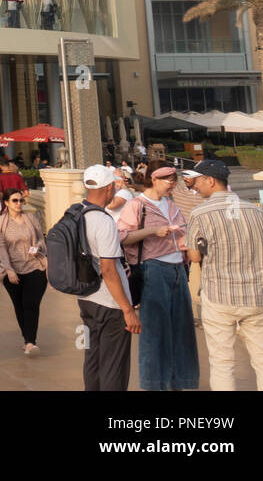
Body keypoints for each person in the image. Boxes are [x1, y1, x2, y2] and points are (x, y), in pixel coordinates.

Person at [183, 159, 263, 391]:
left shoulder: (199, 213)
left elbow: (195, 258)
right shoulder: (255, 212)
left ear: (210, 181)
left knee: (222, 364)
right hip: (255, 297)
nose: (194, 186)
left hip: (219, 298)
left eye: (197, 181)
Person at [116, 162, 198, 391]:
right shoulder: (137, 205)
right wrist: (153, 231)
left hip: (178, 270)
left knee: (182, 329)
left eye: (174, 179)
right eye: (167, 179)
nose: (172, 183)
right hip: (153, 269)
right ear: (154, 179)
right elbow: (122, 237)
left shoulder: (171, 205)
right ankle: (154, 385)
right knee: (154, 331)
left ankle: (180, 382)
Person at [76, 165, 142, 391]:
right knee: (114, 366)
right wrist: (127, 309)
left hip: (86, 299)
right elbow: (109, 269)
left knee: (92, 359)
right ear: (108, 188)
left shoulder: (76, 214)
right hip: (110, 304)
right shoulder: (103, 222)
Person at [0, 188, 48, 355]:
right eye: (15, 201)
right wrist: (9, 270)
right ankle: (27, 338)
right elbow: (1, 248)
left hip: (35, 266)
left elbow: (40, 237)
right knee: (19, 305)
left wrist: (38, 246)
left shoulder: (30, 218)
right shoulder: (1, 223)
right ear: (7, 203)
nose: (19, 204)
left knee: (31, 304)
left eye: (21, 200)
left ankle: (31, 342)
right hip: (12, 270)